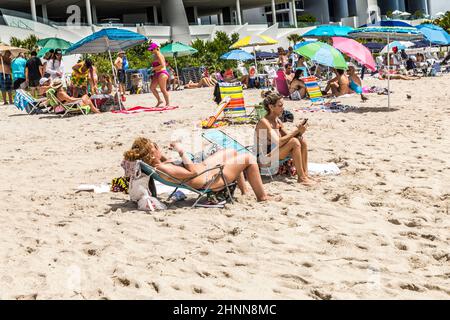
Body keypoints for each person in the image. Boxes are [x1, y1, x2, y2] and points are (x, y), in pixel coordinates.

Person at [123, 137, 278, 202]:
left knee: (232, 152)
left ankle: (245, 191)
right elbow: (193, 173)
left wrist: (160, 154)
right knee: (249, 159)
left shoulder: (157, 164)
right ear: (151, 152)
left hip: (207, 169)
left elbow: (162, 159)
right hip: (209, 180)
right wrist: (181, 151)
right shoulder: (163, 169)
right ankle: (262, 197)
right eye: (156, 147)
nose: (159, 148)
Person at [255, 91, 315, 186]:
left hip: (274, 152)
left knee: (301, 140)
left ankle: (305, 174)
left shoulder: (277, 120)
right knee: (295, 142)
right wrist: (295, 131)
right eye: (280, 105)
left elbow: (288, 137)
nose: (283, 108)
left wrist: (300, 132)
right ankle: (301, 178)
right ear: (271, 107)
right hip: (264, 158)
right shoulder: (264, 122)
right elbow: (279, 142)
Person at [148, 42, 170, 107]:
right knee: (152, 87)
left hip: (162, 73)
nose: (151, 51)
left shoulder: (159, 55)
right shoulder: (155, 55)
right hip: (157, 73)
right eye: (150, 50)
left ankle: (168, 103)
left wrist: (153, 68)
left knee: (163, 89)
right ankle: (159, 100)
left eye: (152, 50)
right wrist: (153, 69)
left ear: (156, 48)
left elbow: (163, 65)